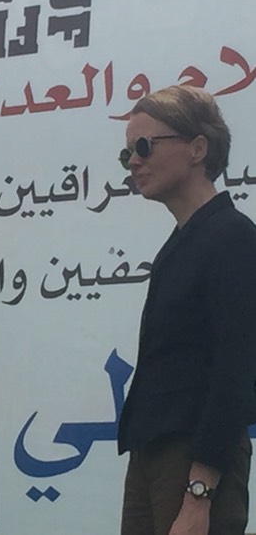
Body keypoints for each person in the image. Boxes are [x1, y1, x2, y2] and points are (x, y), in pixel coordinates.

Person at [116, 86, 256, 535]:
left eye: (144, 146)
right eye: (127, 153)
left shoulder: (232, 238)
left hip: (194, 464)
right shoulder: (180, 244)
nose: (134, 162)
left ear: (198, 149)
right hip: (153, 457)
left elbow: (236, 369)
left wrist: (200, 492)